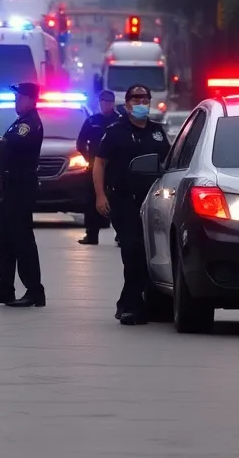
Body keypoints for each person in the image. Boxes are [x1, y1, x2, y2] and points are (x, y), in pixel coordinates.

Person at [93, 84, 171, 325]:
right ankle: (133, 306)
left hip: (153, 202)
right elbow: (99, 164)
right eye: (135, 99)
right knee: (132, 251)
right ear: (126, 104)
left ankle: (130, 302)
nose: (140, 103)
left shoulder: (157, 132)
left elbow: (168, 163)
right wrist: (100, 196)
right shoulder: (115, 131)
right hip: (124, 201)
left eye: (144, 99)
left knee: (149, 253)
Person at [0, 82, 46, 308]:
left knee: (21, 238)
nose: (17, 101)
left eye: (19, 98)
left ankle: (34, 290)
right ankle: (5, 288)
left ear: (30, 99)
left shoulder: (30, 124)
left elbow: (9, 146)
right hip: (11, 185)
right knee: (4, 238)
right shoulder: (20, 122)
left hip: (21, 185)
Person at [75, 89, 124, 245]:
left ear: (112, 103)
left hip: (115, 168)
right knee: (91, 201)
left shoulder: (120, 121)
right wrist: (88, 159)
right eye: (103, 102)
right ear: (99, 103)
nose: (105, 105)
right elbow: (80, 143)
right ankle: (91, 234)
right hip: (95, 167)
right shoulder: (92, 121)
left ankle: (121, 235)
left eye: (108, 102)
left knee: (118, 201)